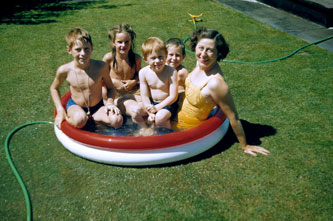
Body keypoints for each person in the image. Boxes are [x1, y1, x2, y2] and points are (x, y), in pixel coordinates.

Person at [177, 27, 270, 157]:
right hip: (178, 111)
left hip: (187, 126)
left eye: (209, 50)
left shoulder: (216, 84)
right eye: (201, 48)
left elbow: (233, 117)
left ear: (218, 53)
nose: (203, 54)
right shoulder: (200, 64)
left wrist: (245, 145)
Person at [50, 27, 123, 129]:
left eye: (86, 49)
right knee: (80, 119)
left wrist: (110, 103)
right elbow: (54, 88)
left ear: (92, 47)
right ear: (69, 50)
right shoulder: (65, 70)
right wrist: (60, 109)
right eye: (78, 50)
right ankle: (76, 120)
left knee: (117, 120)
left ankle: (92, 121)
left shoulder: (100, 67)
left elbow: (111, 88)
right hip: (76, 106)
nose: (83, 54)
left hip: (98, 107)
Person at [102, 24, 147, 128]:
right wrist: (113, 81)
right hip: (117, 95)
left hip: (134, 92)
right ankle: (144, 131)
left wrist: (133, 81)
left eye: (127, 42)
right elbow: (100, 79)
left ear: (131, 42)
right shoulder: (109, 59)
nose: (124, 45)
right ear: (113, 43)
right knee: (135, 109)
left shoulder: (136, 58)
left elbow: (140, 76)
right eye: (120, 42)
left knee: (148, 105)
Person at [139, 37, 178, 129]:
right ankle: (144, 130)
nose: (157, 61)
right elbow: (144, 96)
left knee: (160, 118)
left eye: (160, 57)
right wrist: (149, 110)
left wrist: (157, 108)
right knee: (135, 111)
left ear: (166, 55)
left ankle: (168, 134)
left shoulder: (171, 72)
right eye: (153, 58)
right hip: (152, 103)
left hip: (168, 105)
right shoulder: (143, 72)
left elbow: (173, 96)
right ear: (145, 59)